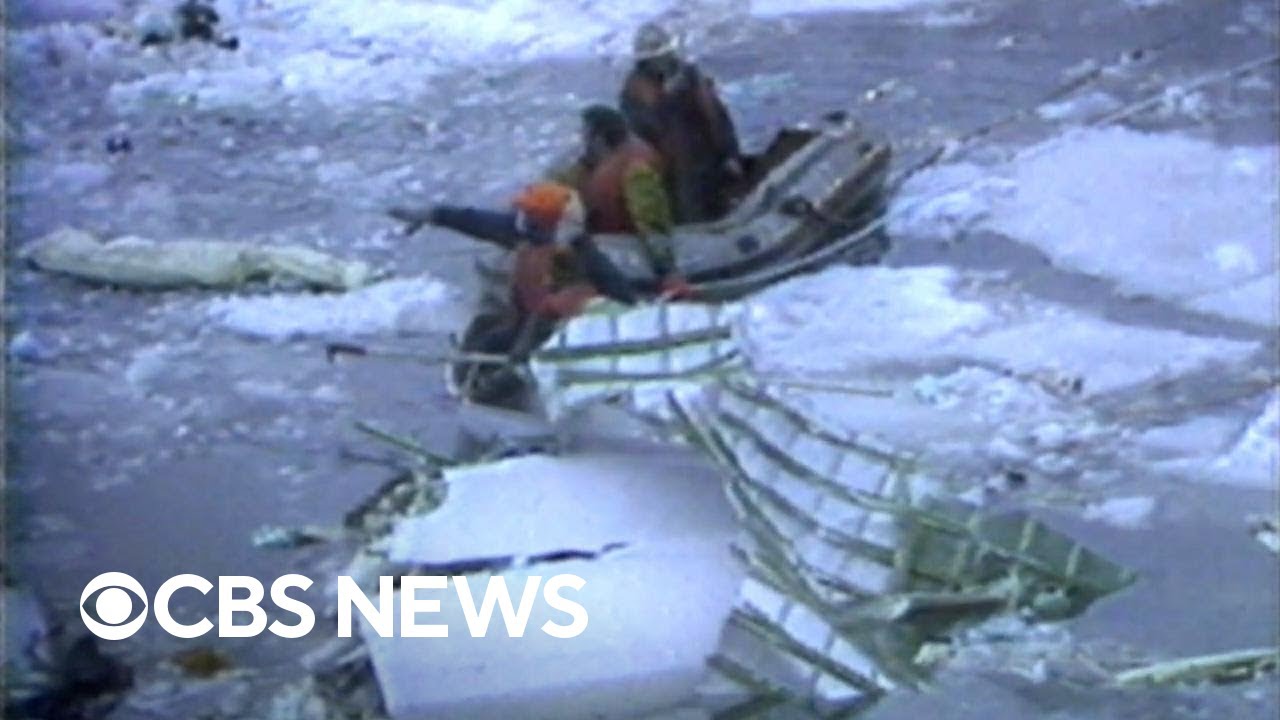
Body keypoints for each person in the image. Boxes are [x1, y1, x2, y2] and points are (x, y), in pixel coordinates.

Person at [620, 21, 743, 224]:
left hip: (707, 157)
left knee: (720, 203)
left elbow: (718, 117)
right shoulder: (634, 93)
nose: (662, 61)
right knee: (689, 215)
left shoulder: (690, 77)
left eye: (663, 55)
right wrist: (667, 100)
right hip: (673, 170)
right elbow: (643, 131)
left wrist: (731, 153)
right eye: (654, 58)